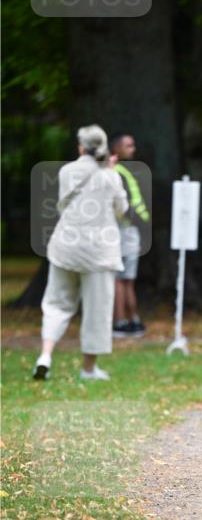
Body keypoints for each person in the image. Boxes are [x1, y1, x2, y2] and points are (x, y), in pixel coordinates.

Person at [33, 125, 128, 381]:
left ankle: (45, 355)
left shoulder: (66, 171)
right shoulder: (110, 176)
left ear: (80, 146)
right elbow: (121, 210)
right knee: (97, 311)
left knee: (56, 303)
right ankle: (88, 369)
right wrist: (110, 171)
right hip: (99, 252)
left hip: (65, 246)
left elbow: (62, 205)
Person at [109, 132, 151, 337]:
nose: (133, 149)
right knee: (125, 279)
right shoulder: (121, 172)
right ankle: (131, 320)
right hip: (128, 230)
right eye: (128, 145)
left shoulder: (117, 172)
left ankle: (122, 322)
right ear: (115, 148)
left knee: (120, 279)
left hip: (123, 230)